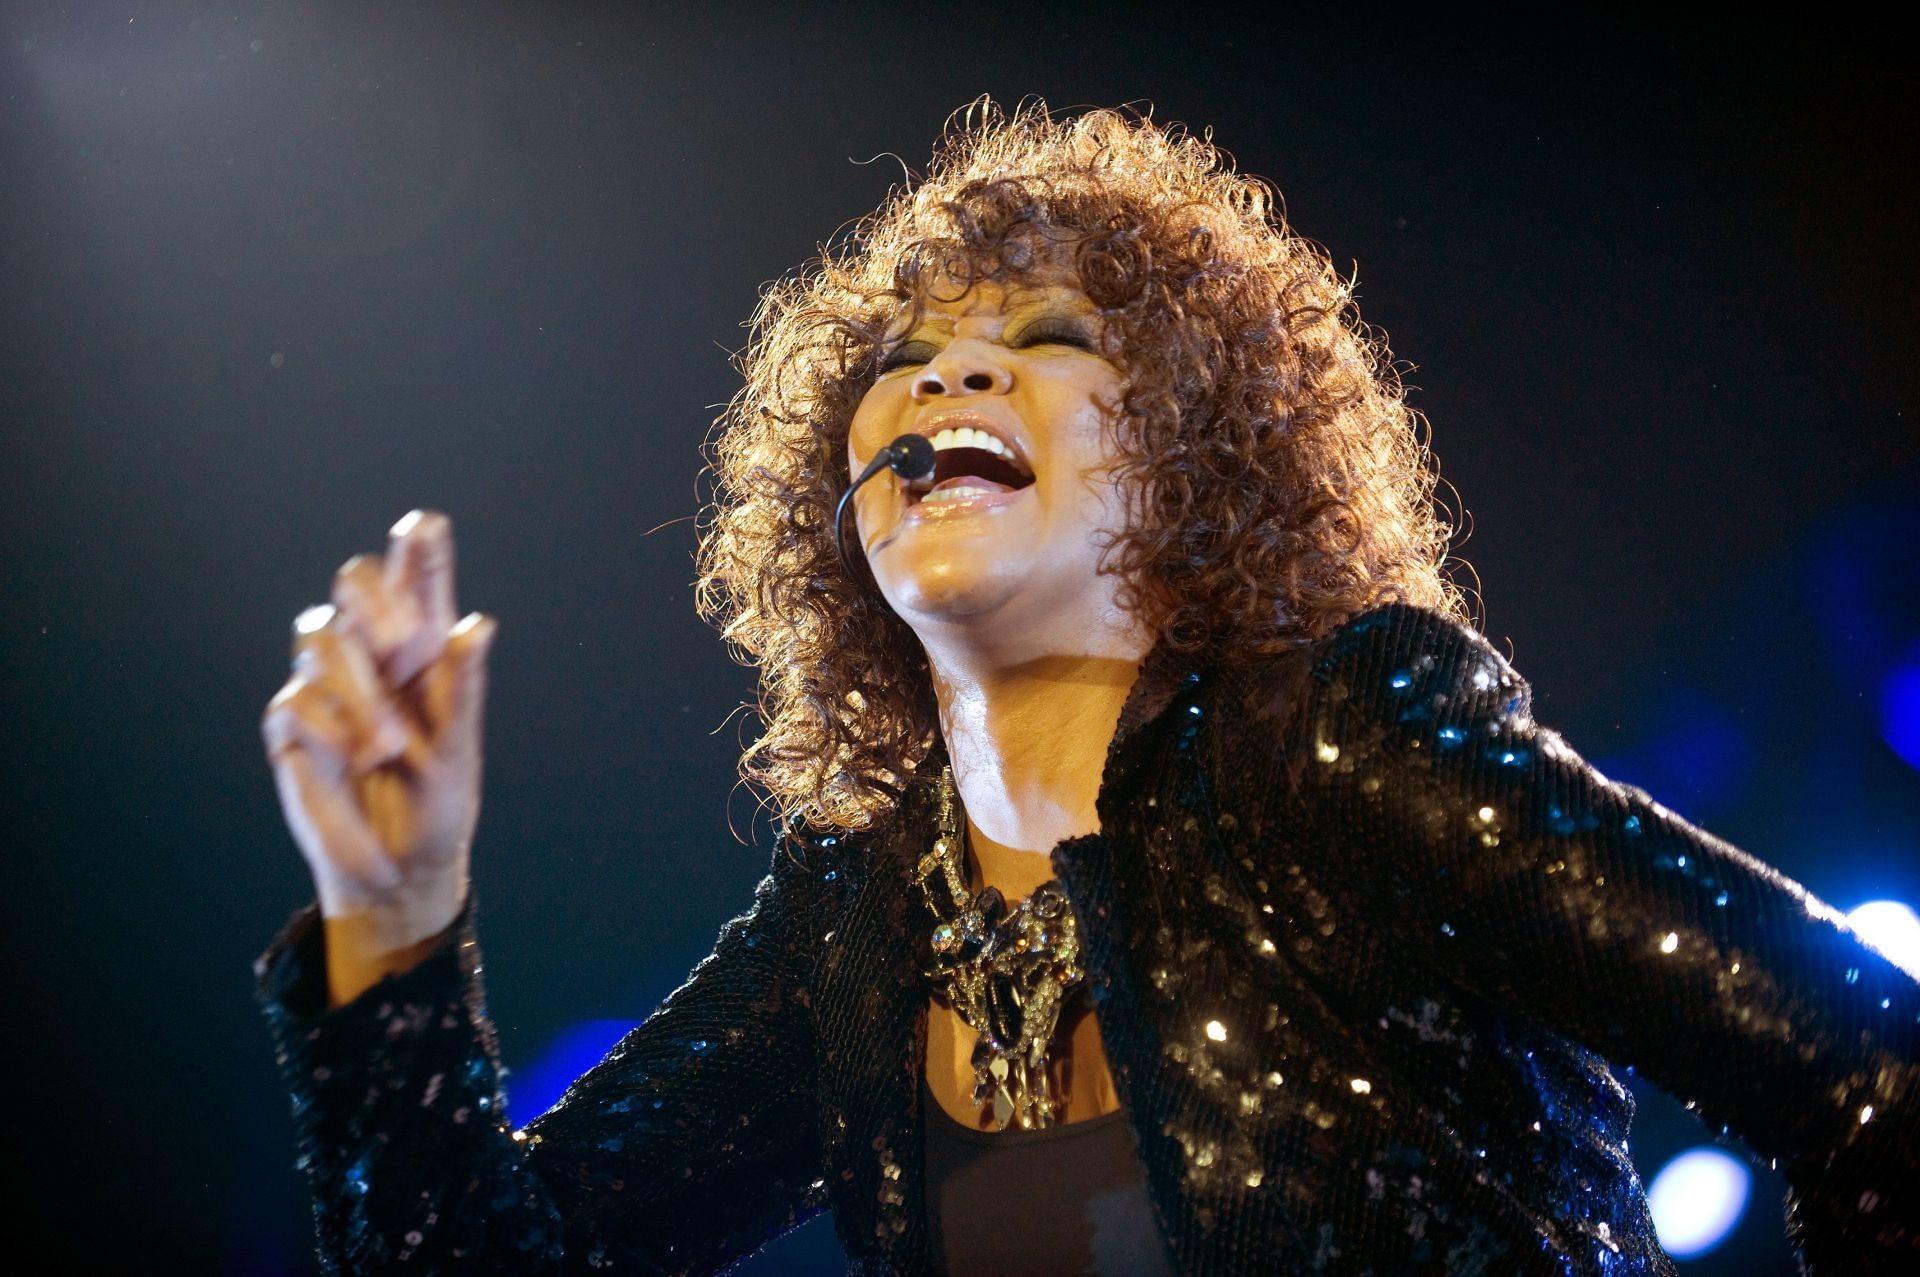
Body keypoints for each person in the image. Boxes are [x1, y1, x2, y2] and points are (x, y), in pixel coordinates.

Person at [256, 102, 1918, 1274]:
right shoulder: (856, 920)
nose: (947, 371)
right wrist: (391, 920)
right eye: (901, 362)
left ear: (1190, 456)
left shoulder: (1338, 738)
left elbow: (1867, 1066)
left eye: (1044, 338)